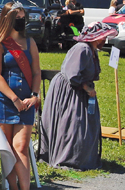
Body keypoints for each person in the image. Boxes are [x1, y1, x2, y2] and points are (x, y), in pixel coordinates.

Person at [39, 22, 116, 170]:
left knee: (83, 125)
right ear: (95, 37)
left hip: (79, 90)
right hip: (69, 91)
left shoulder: (92, 50)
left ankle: (82, 158)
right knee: (72, 124)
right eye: (103, 37)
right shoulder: (82, 49)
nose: (104, 41)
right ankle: (68, 159)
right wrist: (87, 88)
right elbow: (71, 74)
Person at [0, 1, 41, 190]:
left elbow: (36, 72)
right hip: (3, 100)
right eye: (17, 18)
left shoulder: (30, 43)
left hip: (26, 102)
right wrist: (14, 99)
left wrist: (34, 95)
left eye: (23, 17)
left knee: (21, 146)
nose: (22, 21)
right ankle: (13, 189)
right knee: (7, 147)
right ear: (7, 19)